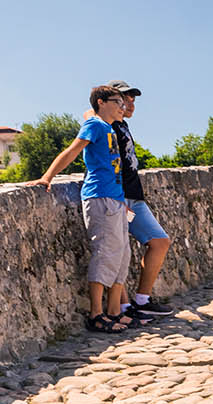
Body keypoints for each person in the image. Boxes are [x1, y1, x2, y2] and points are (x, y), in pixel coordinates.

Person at [32, 86, 134, 333]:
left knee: (122, 256)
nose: (123, 106)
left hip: (116, 199)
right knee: (105, 253)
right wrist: (47, 177)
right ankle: (96, 315)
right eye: (117, 101)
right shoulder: (96, 126)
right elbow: (73, 150)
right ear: (102, 102)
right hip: (100, 197)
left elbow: (91, 113)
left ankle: (113, 311)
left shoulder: (107, 127)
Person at [102, 81, 174, 320]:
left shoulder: (122, 125)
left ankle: (142, 300)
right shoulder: (106, 124)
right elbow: (89, 114)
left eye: (133, 100)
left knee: (160, 241)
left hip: (135, 199)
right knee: (119, 248)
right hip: (118, 198)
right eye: (125, 99)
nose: (131, 104)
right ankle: (123, 308)